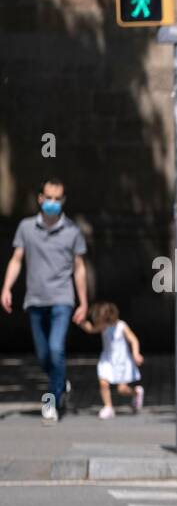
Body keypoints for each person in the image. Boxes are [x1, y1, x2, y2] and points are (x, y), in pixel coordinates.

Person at [2, 179, 89, 423]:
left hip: (62, 298)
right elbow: (17, 259)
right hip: (35, 300)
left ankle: (51, 399)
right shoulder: (26, 228)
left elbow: (79, 268)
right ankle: (60, 381)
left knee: (55, 348)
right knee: (43, 356)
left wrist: (83, 302)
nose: (52, 203)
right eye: (48, 197)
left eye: (57, 199)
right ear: (40, 198)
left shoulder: (72, 231)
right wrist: (6, 287)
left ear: (63, 201)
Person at [78, 301, 144, 418]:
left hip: (121, 361)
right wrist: (81, 322)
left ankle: (136, 392)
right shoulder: (103, 327)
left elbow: (133, 340)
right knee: (103, 383)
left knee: (122, 389)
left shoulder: (122, 326)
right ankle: (108, 407)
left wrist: (136, 353)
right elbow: (91, 329)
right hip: (107, 359)